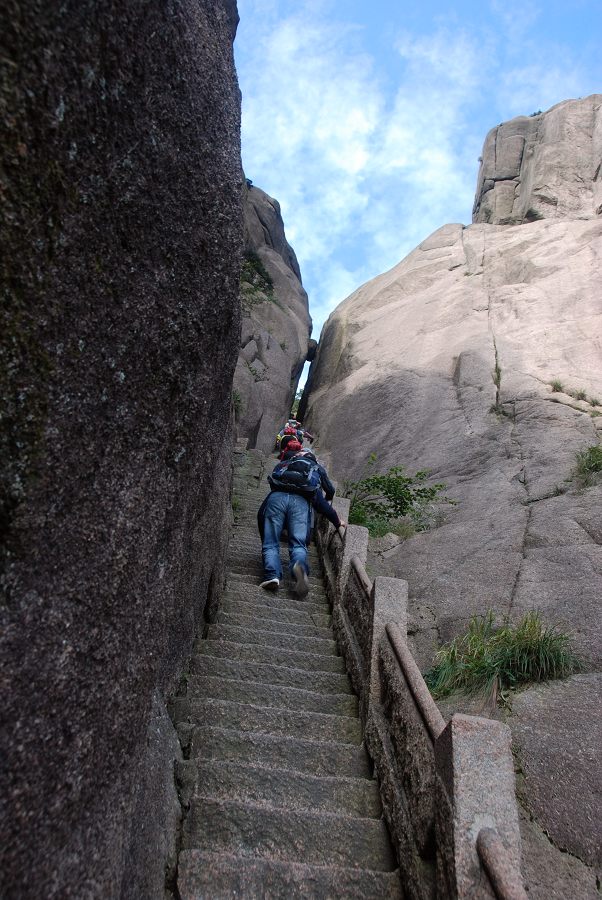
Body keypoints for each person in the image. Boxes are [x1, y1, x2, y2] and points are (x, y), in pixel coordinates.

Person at [257, 449, 345, 596]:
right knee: (298, 543)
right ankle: (299, 566)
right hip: (301, 504)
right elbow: (328, 496)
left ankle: (272, 575)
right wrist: (337, 521)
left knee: (271, 542)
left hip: (276, 499)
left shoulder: (285, 463)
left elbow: (274, 479)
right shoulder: (315, 468)